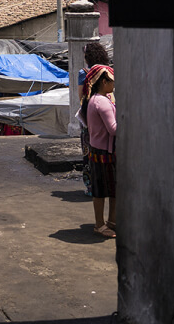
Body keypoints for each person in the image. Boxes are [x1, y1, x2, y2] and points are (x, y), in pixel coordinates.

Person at [81, 64, 117, 237]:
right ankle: (100, 224)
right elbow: (113, 129)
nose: (114, 85)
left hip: (100, 149)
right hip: (104, 151)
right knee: (102, 190)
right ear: (104, 82)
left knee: (110, 188)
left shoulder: (95, 99)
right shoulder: (101, 102)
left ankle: (111, 221)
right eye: (111, 81)